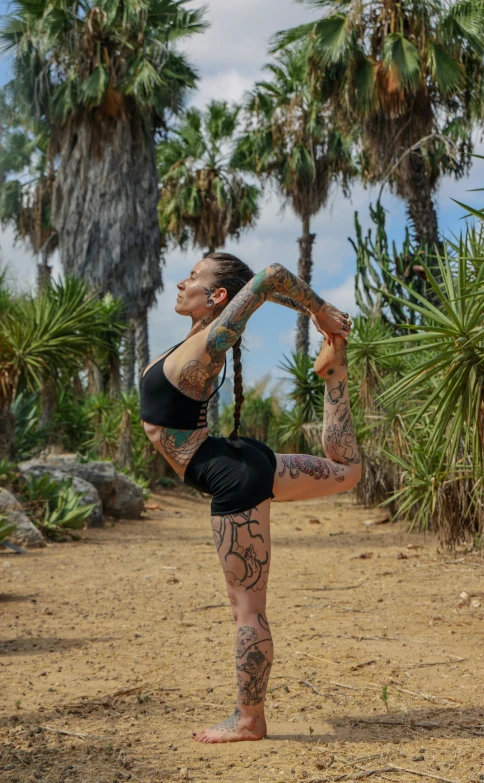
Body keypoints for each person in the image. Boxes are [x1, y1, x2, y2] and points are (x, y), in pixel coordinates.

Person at [139, 252, 361, 744]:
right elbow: (265, 290)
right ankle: (334, 373)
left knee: (247, 609)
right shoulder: (202, 337)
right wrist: (310, 314)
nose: (181, 282)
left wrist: (318, 309)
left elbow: (272, 276)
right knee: (349, 473)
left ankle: (249, 718)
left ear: (215, 296)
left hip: (232, 476)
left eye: (192, 277)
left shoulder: (209, 347)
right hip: (242, 458)